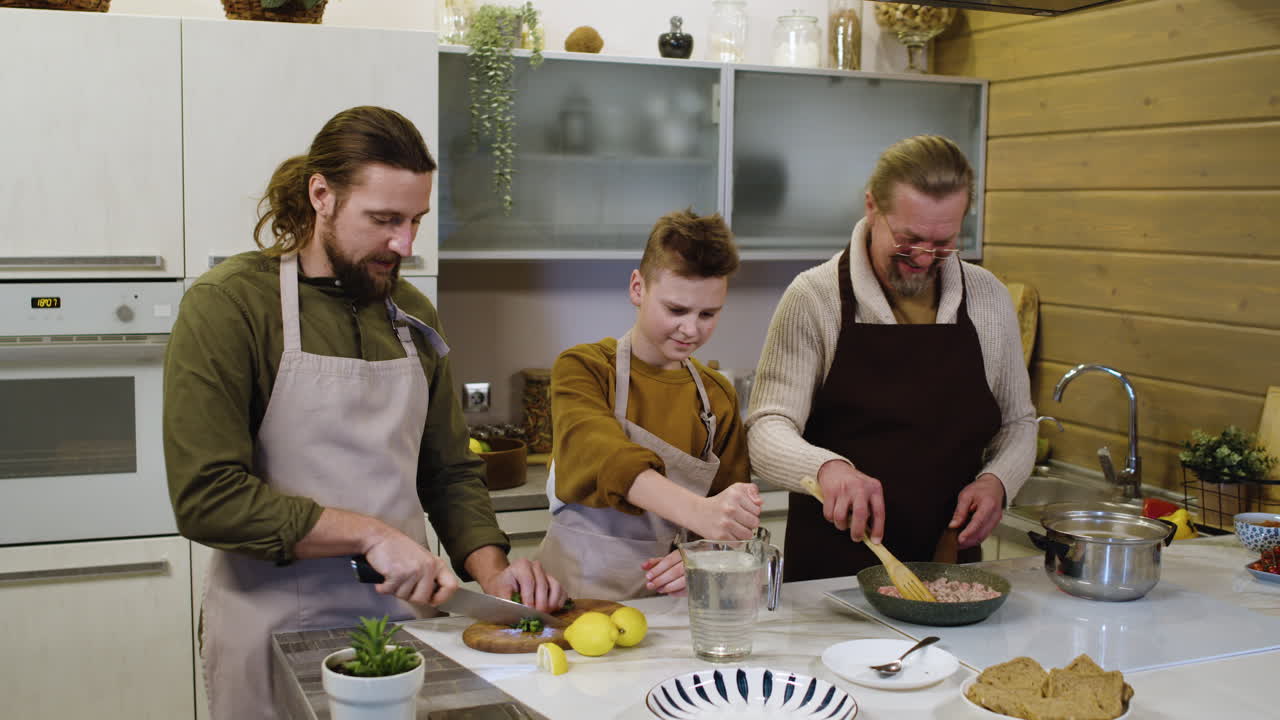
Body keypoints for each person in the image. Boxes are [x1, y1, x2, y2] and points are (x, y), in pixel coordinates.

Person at [163, 106, 566, 720]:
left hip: (405, 623)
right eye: (383, 220)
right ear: (321, 195)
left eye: (414, 221)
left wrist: (493, 571)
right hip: (271, 624)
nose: (403, 244)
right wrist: (372, 534)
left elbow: (448, 471)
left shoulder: (411, 311)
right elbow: (207, 497)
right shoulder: (229, 306)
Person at [745, 135, 1036, 581]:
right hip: (830, 576)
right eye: (908, 240)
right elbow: (766, 427)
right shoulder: (814, 297)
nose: (923, 257)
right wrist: (826, 468)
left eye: (943, 243)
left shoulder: (989, 299)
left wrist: (998, 481)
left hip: (949, 573)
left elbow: (1018, 423)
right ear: (871, 208)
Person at [535, 209, 762, 600]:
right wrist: (698, 513)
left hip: (673, 610)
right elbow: (603, 453)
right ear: (638, 288)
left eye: (708, 314)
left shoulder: (716, 398)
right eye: (676, 310)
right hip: (573, 600)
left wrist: (709, 550)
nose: (691, 329)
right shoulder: (585, 367)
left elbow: (733, 519)